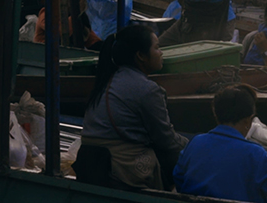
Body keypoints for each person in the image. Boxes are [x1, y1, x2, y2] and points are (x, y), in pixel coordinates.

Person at [76, 25, 188, 191]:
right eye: (157, 48)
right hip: (120, 167)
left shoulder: (109, 78)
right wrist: (193, 145)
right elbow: (166, 140)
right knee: (181, 157)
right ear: (141, 56)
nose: (161, 52)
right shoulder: (147, 90)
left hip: (91, 163)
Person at [173, 84, 267, 202]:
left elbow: (178, 177)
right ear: (248, 121)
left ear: (216, 114)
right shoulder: (254, 154)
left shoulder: (195, 144)